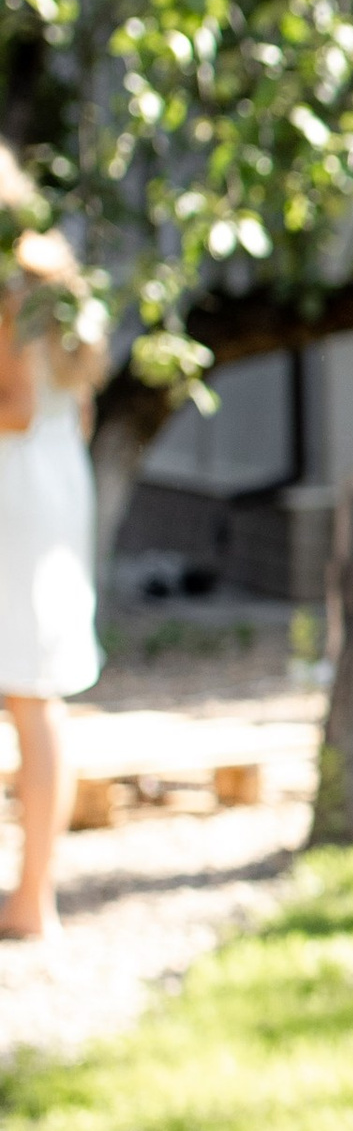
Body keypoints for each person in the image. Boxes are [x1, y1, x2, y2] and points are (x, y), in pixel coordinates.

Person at [0, 147, 107, 946]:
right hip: (59, 479)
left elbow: (12, 404)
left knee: (27, 696)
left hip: (12, 484)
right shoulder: (61, 274)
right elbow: (80, 409)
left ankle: (31, 903)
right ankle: (35, 895)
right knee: (39, 696)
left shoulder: (10, 285)